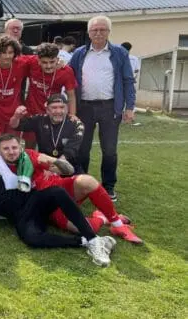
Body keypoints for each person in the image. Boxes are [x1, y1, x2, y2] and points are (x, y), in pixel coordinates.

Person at [0, 147, 116, 267]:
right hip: (20, 216)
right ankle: (83, 242)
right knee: (31, 238)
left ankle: (93, 240)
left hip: (30, 201)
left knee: (57, 192)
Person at [0, 133, 142, 244]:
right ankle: (102, 217)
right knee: (82, 228)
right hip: (47, 205)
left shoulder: (29, 156)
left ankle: (118, 225)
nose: (11, 151)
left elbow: (68, 170)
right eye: (6, 149)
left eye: (14, 147)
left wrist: (52, 161)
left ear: (20, 147)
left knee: (87, 181)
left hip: (60, 188)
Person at [70, 16, 135, 202]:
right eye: (94, 30)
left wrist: (129, 107)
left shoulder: (120, 53)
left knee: (109, 150)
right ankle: (81, 184)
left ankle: (108, 187)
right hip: (84, 107)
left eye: (102, 29)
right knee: (82, 149)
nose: (98, 33)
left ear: (109, 32)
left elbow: (128, 80)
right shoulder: (79, 53)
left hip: (110, 107)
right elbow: (68, 76)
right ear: (89, 32)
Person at [9, 94, 84, 170]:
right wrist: (16, 116)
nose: (58, 111)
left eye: (62, 107)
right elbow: (15, 126)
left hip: (69, 167)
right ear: (47, 110)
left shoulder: (76, 124)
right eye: (54, 108)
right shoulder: (40, 120)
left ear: (67, 109)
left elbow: (70, 152)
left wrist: (53, 169)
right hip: (44, 165)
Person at [0, 36, 30, 134]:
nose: (7, 56)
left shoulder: (22, 64)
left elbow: (38, 59)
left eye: (10, 52)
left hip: (14, 113)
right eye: (4, 52)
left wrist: (60, 62)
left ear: (15, 53)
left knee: (12, 141)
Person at [25, 42, 77, 116]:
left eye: (52, 62)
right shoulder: (31, 62)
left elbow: (71, 96)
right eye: (44, 62)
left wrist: (72, 115)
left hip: (53, 114)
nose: (48, 66)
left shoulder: (66, 71)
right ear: (38, 60)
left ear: (57, 59)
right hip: (31, 113)